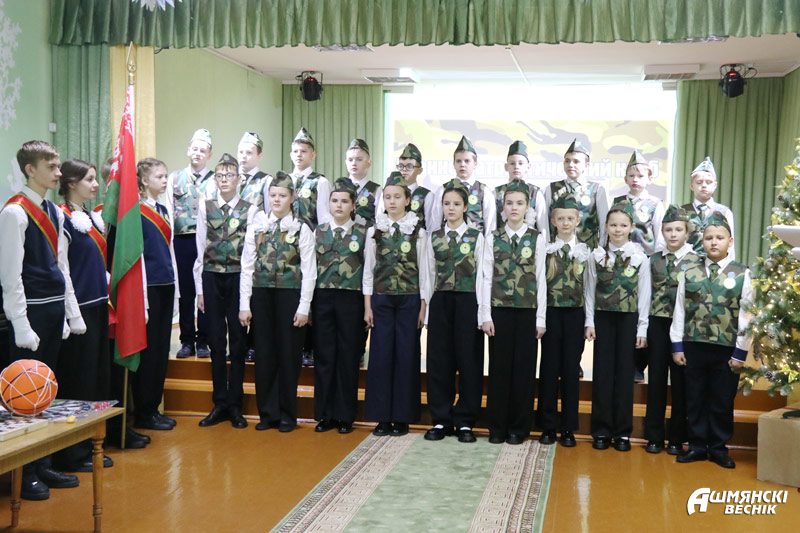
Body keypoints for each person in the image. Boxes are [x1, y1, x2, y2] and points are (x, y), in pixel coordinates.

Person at [0, 140, 85, 500]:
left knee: (47, 391)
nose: (58, 173)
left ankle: (43, 462)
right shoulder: (14, 212)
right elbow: (10, 275)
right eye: (50, 167)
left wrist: (71, 312)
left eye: (58, 166)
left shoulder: (54, 210)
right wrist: (20, 323)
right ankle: (23, 473)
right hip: (30, 311)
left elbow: (61, 267)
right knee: (23, 394)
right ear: (30, 170)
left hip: (52, 310)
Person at [670, 212, 752, 469]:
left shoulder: (742, 273)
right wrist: (677, 345)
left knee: (721, 399)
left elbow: (747, 316)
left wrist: (740, 352)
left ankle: (718, 447)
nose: (714, 242)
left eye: (720, 238)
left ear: (730, 241)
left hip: (726, 348)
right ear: (702, 242)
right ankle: (696, 445)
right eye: (708, 238)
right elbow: (680, 309)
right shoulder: (690, 271)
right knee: (694, 398)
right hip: (694, 345)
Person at [240, 172, 316, 432]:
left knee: (288, 356)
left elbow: (309, 271)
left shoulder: (302, 228)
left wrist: (304, 307)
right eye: (273, 195)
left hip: (290, 296)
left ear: (292, 198)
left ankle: (287, 415)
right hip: (261, 296)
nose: (276, 199)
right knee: (264, 355)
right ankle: (267, 414)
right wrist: (244, 304)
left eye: (282, 195)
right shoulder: (257, 227)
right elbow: (247, 267)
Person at [54, 159, 114, 472]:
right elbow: (63, 269)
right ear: (71, 183)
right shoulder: (61, 217)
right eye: (89, 179)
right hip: (79, 309)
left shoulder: (90, 216)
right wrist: (72, 312)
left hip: (99, 305)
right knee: (78, 380)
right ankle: (71, 452)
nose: (95, 184)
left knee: (96, 378)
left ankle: (91, 445)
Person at [363, 172, 430, 437]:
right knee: (380, 356)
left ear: (407, 200)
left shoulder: (418, 232)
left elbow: (424, 271)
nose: (392, 201)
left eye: (397, 197)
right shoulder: (375, 230)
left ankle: (402, 417)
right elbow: (369, 270)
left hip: (409, 299)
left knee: (406, 355)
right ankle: (382, 417)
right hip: (381, 299)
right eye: (388, 197)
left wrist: (423, 305)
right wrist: (367, 305)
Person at [479, 179, 546, 445]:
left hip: (528, 312)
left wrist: (541, 318)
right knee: (499, 370)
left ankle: (519, 428)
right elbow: (486, 277)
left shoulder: (536, 238)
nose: (514, 207)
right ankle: (497, 427)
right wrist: (485, 315)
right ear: (503, 207)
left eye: (519, 203)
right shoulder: (493, 237)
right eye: (509, 203)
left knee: (524, 372)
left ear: (528, 207)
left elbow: (541, 279)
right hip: (500, 312)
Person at [194, 154, 256, 429]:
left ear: (239, 179)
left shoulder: (250, 209)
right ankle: (219, 402)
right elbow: (199, 249)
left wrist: (246, 298)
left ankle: (235, 405)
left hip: (238, 278)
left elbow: (250, 255)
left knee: (239, 342)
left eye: (230, 175)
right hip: (211, 278)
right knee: (216, 341)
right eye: (219, 175)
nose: (224, 180)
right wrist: (200, 290)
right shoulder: (206, 206)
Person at [584, 202, 651, 452]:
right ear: (606, 227)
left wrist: (642, 328)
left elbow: (644, 295)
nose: (618, 229)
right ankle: (601, 430)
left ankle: (622, 432)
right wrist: (589, 321)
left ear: (632, 227)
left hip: (628, 320)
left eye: (623, 225)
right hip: (603, 319)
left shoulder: (639, 257)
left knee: (624, 375)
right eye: (613, 225)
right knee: (602, 374)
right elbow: (589, 291)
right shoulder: (596, 256)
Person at [424, 178, 485, 443]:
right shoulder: (434, 237)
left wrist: (482, 311)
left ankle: (465, 421)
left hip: (469, 301)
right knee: (440, 360)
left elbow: (482, 275)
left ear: (465, 207)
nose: (451, 208)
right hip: (441, 301)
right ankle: (441, 419)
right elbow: (428, 275)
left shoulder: (476, 237)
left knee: (469, 360)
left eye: (456, 204)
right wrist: (427, 310)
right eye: (447, 203)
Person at [311, 178, 367, 434]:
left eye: (345, 201)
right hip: (323, 298)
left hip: (351, 299)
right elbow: (311, 268)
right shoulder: (319, 232)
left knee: (347, 357)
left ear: (354, 205)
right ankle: (325, 414)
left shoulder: (364, 233)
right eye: (334, 201)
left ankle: (345, 416)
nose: (339, 205)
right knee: (324, 357)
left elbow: (368, 270)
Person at [536, 194, 591, 448]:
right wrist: (540, 318)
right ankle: (547, 426)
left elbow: (589, 288)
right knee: (549, 369)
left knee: (570, 370)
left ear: (578, 220)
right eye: (561, 219)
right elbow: (540, 285)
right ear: (553, 221)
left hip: (575, 315)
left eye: (570, 218)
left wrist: (589, 321)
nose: (566, 223)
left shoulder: (585, 251)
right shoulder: (546, 249)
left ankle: (568, 427)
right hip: (551, 315)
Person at [644, 205, 696, 455]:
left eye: (678, 230)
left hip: (683, 327)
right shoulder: (654, 260)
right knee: (655, 380)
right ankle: (654, 436)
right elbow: (646, 295)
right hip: (657, 323)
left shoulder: (696, 261)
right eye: (668, 230)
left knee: (680, 382)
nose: (673, 234)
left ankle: (677, 437)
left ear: (687, 232)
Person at [133, 158, 180, 432]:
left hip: (165, 284)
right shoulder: (135, 212)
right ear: (144, 180)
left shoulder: (163, 209)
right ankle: (144, 411)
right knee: (149, 351)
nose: (164, 180)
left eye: (165, 175)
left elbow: (169, 251)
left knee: (162, 349)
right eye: (159, 176)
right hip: (147, 287)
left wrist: (177, 288)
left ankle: (153, 408)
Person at [612, 150, 665, 383]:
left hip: (645, 265)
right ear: (625, 178)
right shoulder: (618, 202)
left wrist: (654, 263)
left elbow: (660, 237)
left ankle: (638, 364)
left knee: (643, 311)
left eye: (641, 176)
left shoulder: (655, 204)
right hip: (620, 265)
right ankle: (621, 360)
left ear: (649, 179)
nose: (636, 179)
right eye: (631, 175)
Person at [166, 128, 215, 359]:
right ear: (188, 150)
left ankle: (204, 340)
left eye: (202, 150)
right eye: (194, 149)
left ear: (209, 155)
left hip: (206, 242)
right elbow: (168, 209)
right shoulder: (174, 177)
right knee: (185, 291)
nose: (198, 153)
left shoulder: (215, 179)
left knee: (205, 290)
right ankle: (186, 340)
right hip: (182, 241)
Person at [283, 127, 330, 367]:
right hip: (285, 248)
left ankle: (309, 346)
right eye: (295, 151)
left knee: (309, 295)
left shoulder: (320, 181)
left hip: (309, 246)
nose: (299, 155)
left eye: (304, 151)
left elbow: (323, 218)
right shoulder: (283, 180)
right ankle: (291, 345)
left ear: (313, 155)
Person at [545, 139, 608, 250]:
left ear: (586, 165)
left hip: (588, 251)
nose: (571, 165)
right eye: (567, 161)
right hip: (557, 252)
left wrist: (600, 250)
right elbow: (545, 222)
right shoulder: (552, 188)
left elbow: (604, 224)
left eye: (576, 161)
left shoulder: (597, 189)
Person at [431, 135, 496, 235]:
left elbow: (490, 227)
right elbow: (435, 223)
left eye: (467, 161)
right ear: (454, 164)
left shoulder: (484, 191)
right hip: (449, 242)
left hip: (476, 243)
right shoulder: (443, 190)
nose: (462, 165)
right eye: (458, 161)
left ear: (475, 164)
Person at [682, 156, 736, 259]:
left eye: (708, 182)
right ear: (692, 186)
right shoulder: (682, 211)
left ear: (715, 185)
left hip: (715, 264)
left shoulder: (724, 212)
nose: (704, 185)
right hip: (687, 263)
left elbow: (729, 246)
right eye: (699, 182)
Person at [495, 140, 548, 240]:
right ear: (506, 167)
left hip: (530, 244)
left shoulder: (535, 193)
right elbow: (493, 225)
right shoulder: (497, 193)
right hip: (502, 244)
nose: (516, 167)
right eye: (512, 163)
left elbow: (543, 227)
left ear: (528, 167)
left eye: (520, 163)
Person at [378, 143, 435, 232]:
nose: (404, 170)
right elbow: (379, 219)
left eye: (409, 166)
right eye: (401, 166)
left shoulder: (426, 195)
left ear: (419, 170)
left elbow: (431, 228)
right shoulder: (388, 193)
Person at [346, 138, 381, 228]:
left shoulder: (376, 190)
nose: (354, 163)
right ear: (346, 163)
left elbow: (380, 220)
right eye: (350, 160)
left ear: (368, 163)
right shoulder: (340, 187)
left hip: (367, 235)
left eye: (359, 159)